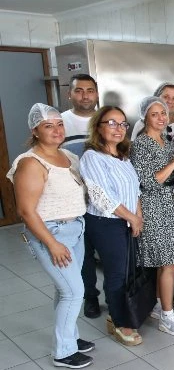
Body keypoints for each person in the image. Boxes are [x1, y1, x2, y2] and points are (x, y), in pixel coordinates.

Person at [7, 104, 95, 368]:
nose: (57, 130)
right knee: (73, 292)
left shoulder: (68, 156)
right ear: (35, 130)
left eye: (59, 124)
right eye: (48, 126)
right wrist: (52, 243)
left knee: (65, 288)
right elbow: (26, 210)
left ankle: (70, 336)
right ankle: (64, 352)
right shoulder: (31, 163)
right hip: (51, 232)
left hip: (75, 229)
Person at [79, 106, 144, 346]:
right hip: (105, 222)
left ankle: (122, 312)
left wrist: (137, 215)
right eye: (111, 123)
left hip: (126, 220)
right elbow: (101, 196)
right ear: (98, 126)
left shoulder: (123, 156)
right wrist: (131, 217)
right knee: (116, 274)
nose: (118, 129)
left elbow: (134, 189)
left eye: (123, 124)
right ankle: (119, 322)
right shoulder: (92, 157)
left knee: (128, 272)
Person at [130, 97, 174, 336]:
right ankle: (167, 316)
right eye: (154, 114)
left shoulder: (169, 141)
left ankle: (158, 304)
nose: (161, 118)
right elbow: (149, 181)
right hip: (154, 205)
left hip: (172, 204)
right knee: (169, 263)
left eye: (163, 113)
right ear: (145, 117)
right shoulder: (141, 144)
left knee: (165, 262)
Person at [60, 73, 102, 319]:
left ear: (96, 93)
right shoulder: (60, 122)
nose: (85, 95)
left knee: (109, 251)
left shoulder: (105, 119)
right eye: (79, 90)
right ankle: (90, 297)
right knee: (83, 252)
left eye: (89, 90)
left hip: (106, 199)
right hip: (75, 199)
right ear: (70, 94)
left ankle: (117, 295)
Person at [130, 83, 174, 151]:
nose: (170, 101)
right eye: (166, 97)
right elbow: (133, 151)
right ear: (156, 98)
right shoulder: (141, 124)